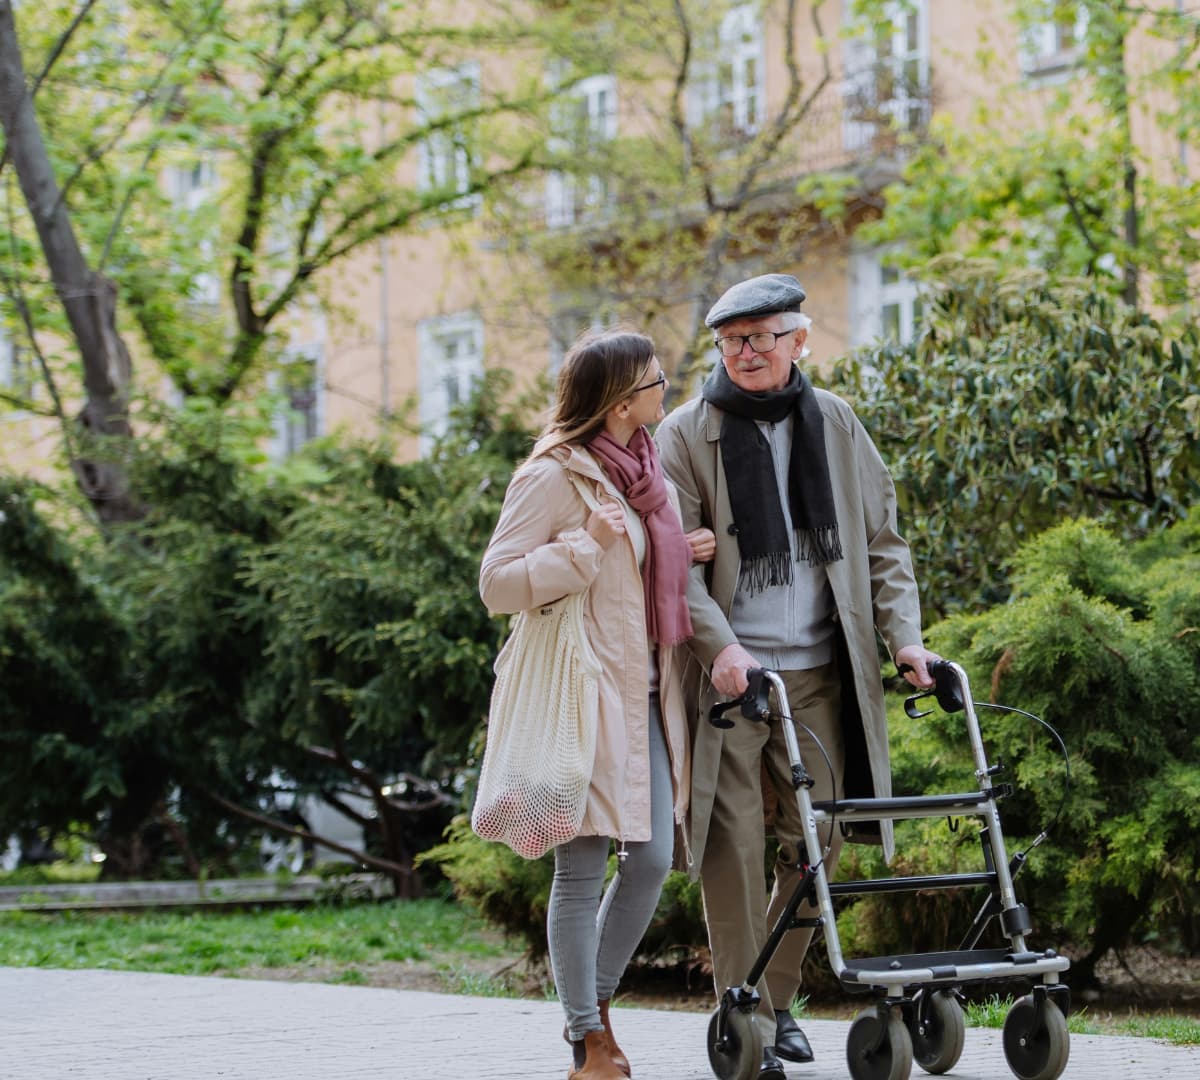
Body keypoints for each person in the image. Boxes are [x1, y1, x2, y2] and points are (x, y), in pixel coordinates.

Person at [655, 274, 939, 1080]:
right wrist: (720, 651)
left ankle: (773, 1002)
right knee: (734, 844)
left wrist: (906, 642)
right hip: (730, 680)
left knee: (818, 844)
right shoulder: (684, 434)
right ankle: (741, 1014)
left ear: (799, 341)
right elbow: (676, 567)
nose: (745, 353)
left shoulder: (838, 423)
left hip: (820, 672)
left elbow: (884, 544)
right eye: (731, 341)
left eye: (761, 337)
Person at [479, 329, 713, 1080]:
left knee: (652, 859)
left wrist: (683, 547)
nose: (664, 390)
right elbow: (496, 584)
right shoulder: (552, 476)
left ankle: (596, 1007)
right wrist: (582, 546)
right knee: (580, 869)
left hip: (645, 688)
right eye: (653, 382)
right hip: (583, 697)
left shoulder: (648, 473)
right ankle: (588, 1036)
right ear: (618, 403)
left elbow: (645, 559)